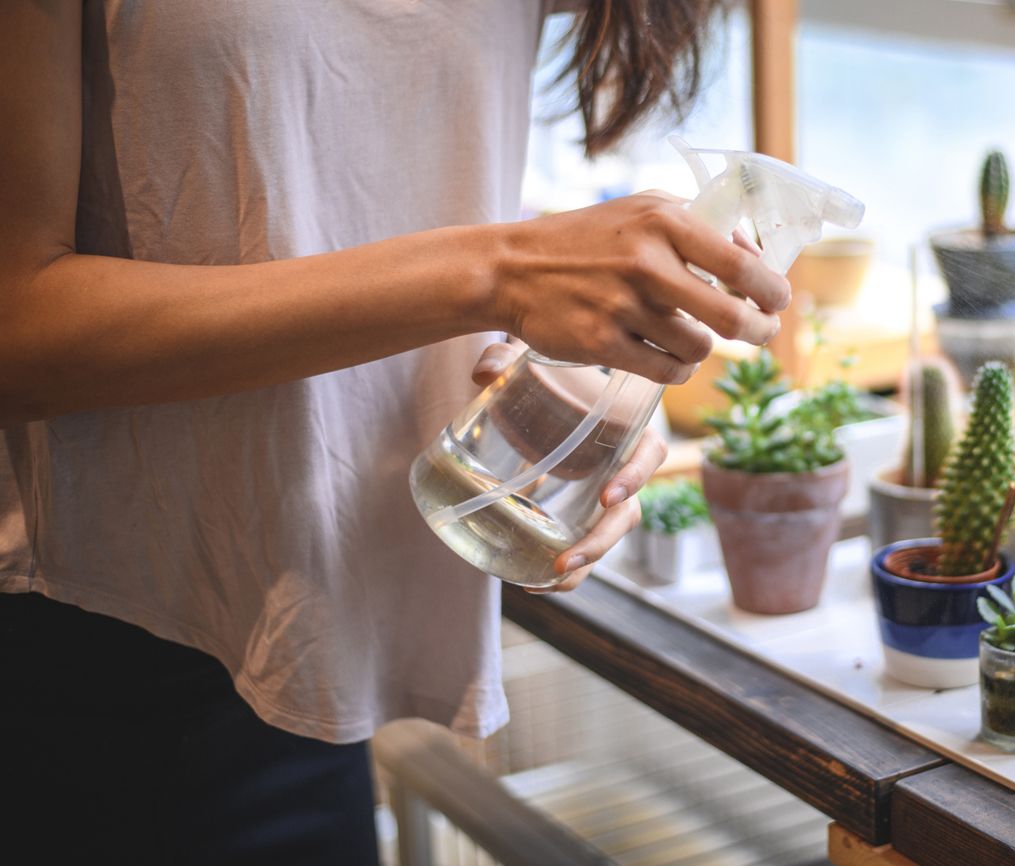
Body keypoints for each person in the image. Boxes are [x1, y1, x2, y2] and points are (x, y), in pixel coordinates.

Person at [0, 2, 784, 863]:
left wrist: (585, 358)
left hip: (308, 633)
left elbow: (371, 158)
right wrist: (500, 269)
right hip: (77, 634)